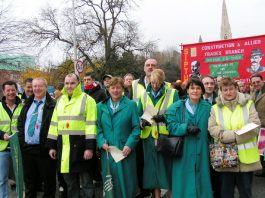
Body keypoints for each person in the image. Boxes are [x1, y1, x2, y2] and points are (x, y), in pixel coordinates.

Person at [208, 77, 261, 198]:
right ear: (221, 91)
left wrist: (231, 137)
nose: (228, 92)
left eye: (231, 89)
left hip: (246, 158)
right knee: (226, 192)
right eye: (225, 89)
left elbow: (255, 125)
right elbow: (212, 129)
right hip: (225, 156)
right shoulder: (215, 108)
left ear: (236, 88)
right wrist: (234, 136)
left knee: (246, 191)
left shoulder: (248, 104)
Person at [46, 73, 97, 198]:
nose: (69, 86)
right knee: (71, 184)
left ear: (78, 84)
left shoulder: (88, 100)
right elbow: (54, 124)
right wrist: (52, 146)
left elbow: (91, 125)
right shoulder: (60, 100)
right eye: (67, 83)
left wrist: (89, 148)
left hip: (81, 148)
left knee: (86, 183)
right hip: (64, 148)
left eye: (72, 83)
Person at [165, 78, 212, 198]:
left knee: (202, 178)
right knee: (183, 178)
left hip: (202, 149)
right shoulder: (176, 107)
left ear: (202, 91)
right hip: (183, 149)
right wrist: (185, 128)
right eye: (192, 88)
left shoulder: (209, 108)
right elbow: (170, 125)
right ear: (187, 90)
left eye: (198, 88)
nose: (195, 91)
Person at [138, 69, 179, 198]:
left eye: (157, 83)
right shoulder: (144, 94)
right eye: (153, 82)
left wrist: (165, 118)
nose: (155, 85)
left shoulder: (173, 93)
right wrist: (142, 122)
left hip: (166, 137)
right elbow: (138, 114)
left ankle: (172, 194)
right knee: (152, 169)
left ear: (162, 81)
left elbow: (178, 114)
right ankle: (156, 195)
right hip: (149, 137)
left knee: (168, 168)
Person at [97, 77, 140, 197]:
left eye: (118, 87)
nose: (116, 90)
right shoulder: (100, 106)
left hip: (125, 151)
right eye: (113, 87)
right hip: (108, 151)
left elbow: (136, 128)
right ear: (108, 89)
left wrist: (129, 145)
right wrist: (101, 142)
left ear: (123, 89)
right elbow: (98, 128)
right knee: (111, 183)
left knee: (127, 183)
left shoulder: (131, 105)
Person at [17, 77, 57, 198]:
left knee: (49, 184)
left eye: (40, 86)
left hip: (44, 150)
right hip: (27, 150)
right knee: (30, 184)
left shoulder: (53, 105)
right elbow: (20, 124)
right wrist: (22, 143)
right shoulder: (27, 104)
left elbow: (56, 127)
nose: (37, 88)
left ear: (46, 87)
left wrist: (51, 146)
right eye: (34, 86)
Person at [131, 58, 159, 197]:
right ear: (143, 68)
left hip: (158, 131)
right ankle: (143, 190)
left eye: (153, 65)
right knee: (140, 162)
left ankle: (155, 191)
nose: (150, 67)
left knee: (155, 164)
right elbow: (132, 106)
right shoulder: (134, 84)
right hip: (140, 128)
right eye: (147, 65)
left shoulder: (165, 84)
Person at [0, 80, 23, 198]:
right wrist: (2, 134)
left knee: (20, 179)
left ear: (16, 91)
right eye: (8, 90)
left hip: (19, 148)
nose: (10, 92)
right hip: (2, 149)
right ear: (3, 92)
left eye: (13, 90)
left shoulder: (23, 105)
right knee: (2, 180)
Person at [250, 73, 265, 177]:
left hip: (264, 124)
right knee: (262, 150)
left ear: (262, 81)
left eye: (258, 82)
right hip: (259, 126)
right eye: (254, 82)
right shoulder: (254, 92)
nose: (256, 84)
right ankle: (262, 170)